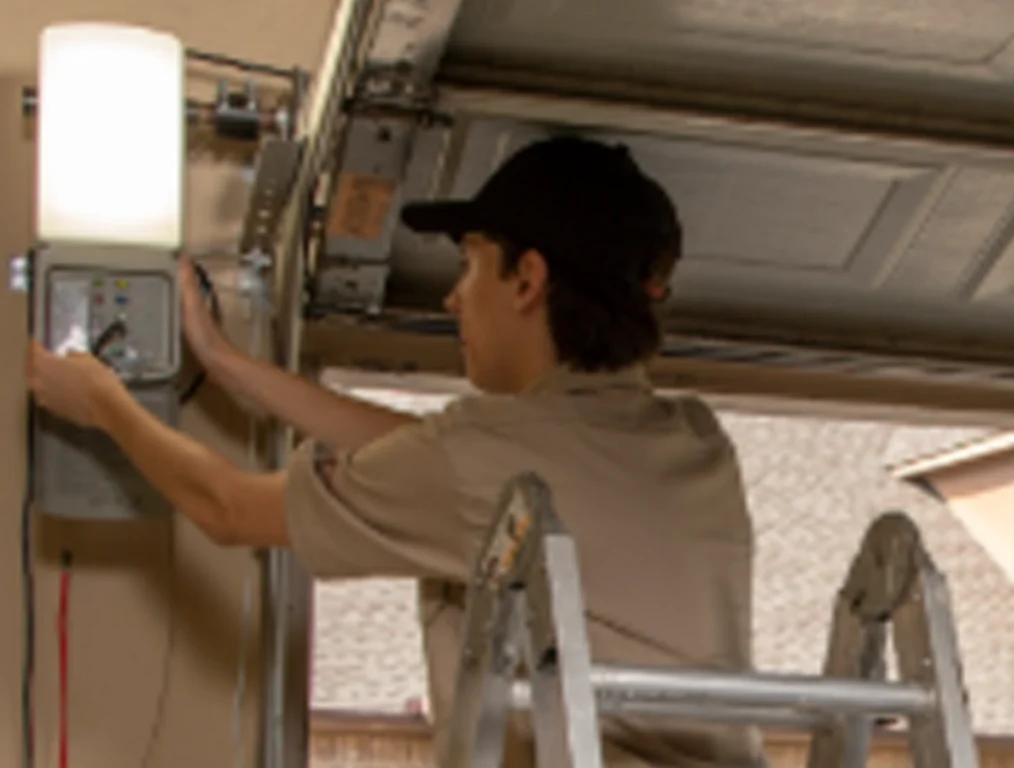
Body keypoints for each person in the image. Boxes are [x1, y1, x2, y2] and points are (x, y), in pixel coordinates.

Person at [27, 136, 761, 767]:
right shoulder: (696, 439)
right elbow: (427, 453)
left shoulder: (481, 460)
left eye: (470, 265)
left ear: (527, 280)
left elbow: (226, 508)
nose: (453, 298)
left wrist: (103, 403)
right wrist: (225, 362)